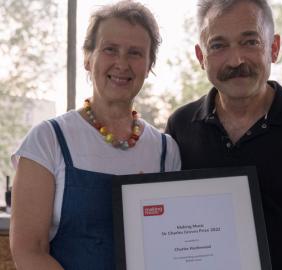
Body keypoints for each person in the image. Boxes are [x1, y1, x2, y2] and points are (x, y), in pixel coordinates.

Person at [165, 0, 282, 269]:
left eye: (250, 42)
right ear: (201, 57)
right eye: (218, 46)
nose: (236, 60)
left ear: (274, 48)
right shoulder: (180, 126)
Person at [10, 1, 181, 269]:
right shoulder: (48, 140)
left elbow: (171, 246)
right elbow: (29, 251)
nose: (122, 63)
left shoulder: (166, 151)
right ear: (88, 58)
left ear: (149, 66)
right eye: (110, 49)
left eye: (135, 53)